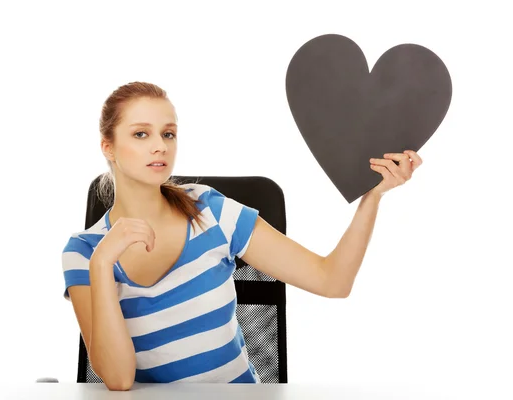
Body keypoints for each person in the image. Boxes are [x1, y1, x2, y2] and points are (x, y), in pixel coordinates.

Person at [61, 81, 423, 391]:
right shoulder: (84, 252)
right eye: (141, 134)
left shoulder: (210, 211)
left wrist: (372, 196)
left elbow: (333, 281)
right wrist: (103, 263)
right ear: (107, 146)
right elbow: (118, 380)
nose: (160, 146)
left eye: (168, 133)